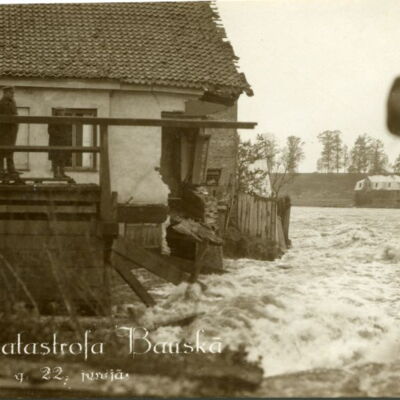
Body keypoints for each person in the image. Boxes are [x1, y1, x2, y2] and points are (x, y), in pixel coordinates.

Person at [0, 86, 19, 179]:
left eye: (13, 93)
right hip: (3, 131)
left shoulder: (13, 102)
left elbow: (15, 114)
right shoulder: (2, 103)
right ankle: (1, 169)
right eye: (11, 93)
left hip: (12, 131)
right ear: (6, 92)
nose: (13, 94)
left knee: (10, 150)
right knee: (2, 150)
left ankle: (11, 168)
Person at [48, 109, 72, 179]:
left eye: (63, 112)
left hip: (63, 143)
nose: (62, 113)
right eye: (61, 112)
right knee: (55, 159)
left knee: (63, 158)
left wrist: (66, 137)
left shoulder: (64, 120)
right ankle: (56, 174)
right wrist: (60, 135)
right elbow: (50, 131)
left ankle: (62, 173)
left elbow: (68, 131)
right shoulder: (52, 120)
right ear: (57, 113)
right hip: (55, 143)